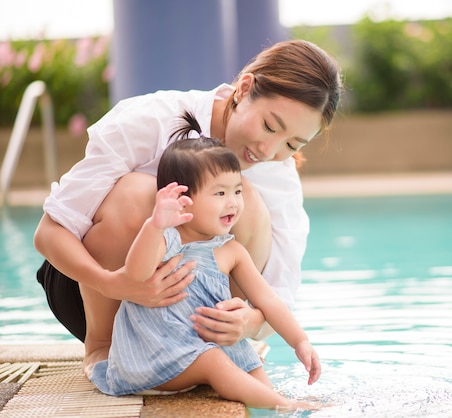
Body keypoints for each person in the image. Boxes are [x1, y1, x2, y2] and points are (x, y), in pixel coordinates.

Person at [33, 39, 342, 374]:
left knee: (245, 200)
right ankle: (103, 346)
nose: (269, 150)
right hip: (95, 287)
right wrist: (113, 282)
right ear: (245, 88)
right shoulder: (153, 118)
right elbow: (50, 233)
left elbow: (281, 294)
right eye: (270, 126)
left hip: (189, 315)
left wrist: (249, 323)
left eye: (292, 144)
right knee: (142, 191)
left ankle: (212, 347)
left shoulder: (277, 175)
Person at [89, 114, 320, 410]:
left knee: (247, 359)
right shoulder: (166, 240)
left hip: (198, 345)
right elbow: (136, 273)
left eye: (237, 191)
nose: (233, 202)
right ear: (184, 199)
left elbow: (269, 300)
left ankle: (274, 404)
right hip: (153, 353)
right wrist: (154, 225)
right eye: (220, 193)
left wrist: (299, 341)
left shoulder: (231, 251)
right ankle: (284, 405)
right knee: (212, 361)